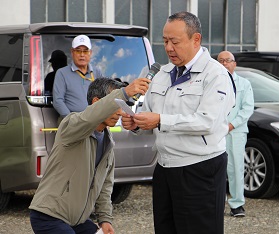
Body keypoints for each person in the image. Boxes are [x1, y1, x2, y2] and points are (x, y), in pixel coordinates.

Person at [121, 12, 235, 234]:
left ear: (196, 39)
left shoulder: (215, 75)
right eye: (165, 41)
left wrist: (161, 120)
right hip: (165, 169)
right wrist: (136, 123)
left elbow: (206, 121)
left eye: (175, 42)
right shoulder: (162, 74)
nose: (169, 48)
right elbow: (149, 113)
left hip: (199, 170)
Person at [29, 77, 150, 234]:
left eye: (123, 106)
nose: (120, 112)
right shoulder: (71, 126)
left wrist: (105, 219)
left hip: (78, 220)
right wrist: (125, 93)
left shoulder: (108, 142)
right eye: (117, 105)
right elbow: (89, 117)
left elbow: (105, 185)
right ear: (96, 102)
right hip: (49, 215)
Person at [217, 51, 254, 217]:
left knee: (236, 168)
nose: (224, 64)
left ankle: (237, 204)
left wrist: (232, 124)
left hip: (236, 132)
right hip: (215, 131)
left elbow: (247, 108)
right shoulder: (213, 82)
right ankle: (217, 203)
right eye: (221, 61)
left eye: (228, 61)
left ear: (234, 63)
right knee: (216, 168)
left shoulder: (244, 84)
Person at [53, 35, 103, 120]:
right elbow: (58, 101)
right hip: (72, 123)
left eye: (85, 51)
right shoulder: (62, 73)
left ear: (90, 53)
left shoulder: (97, 72)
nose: (82, 55)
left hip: (95, 121)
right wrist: (72, 120)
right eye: (78, 51)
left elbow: (104, 97)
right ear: (72, 52)